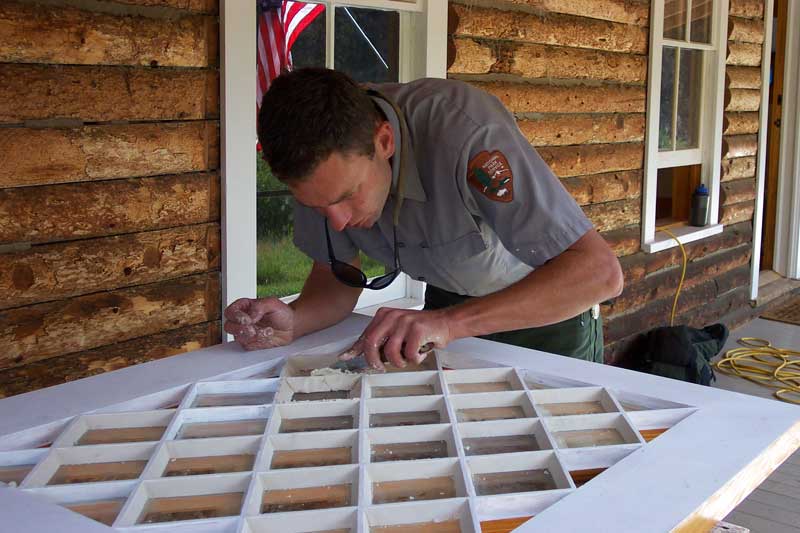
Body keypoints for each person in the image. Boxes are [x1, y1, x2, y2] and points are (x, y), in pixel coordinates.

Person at [224, 68, 623, 370]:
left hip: (547, 314)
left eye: (348, 197)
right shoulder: (320, 169)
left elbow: (600, 273)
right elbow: (336, 283)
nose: (339, 222)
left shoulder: (468, 133)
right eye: (318, 208)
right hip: (446, 308)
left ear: (384, 142)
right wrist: (294, 321)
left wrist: (449, 323)